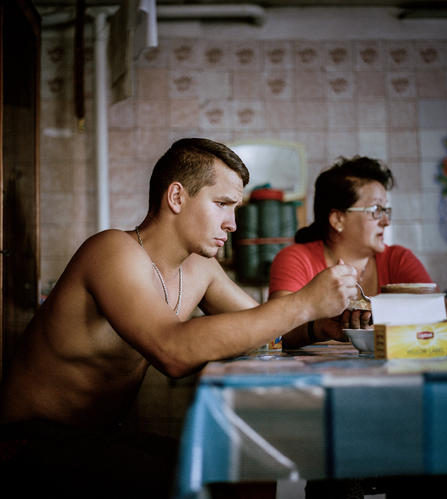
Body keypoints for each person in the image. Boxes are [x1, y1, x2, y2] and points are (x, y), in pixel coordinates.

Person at [0, 138, 359, 497]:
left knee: (245, 474)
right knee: (221, 486)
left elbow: (263, 327)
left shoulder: (200, 267)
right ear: (176, 197)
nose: (233, 223)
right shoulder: (112, 251)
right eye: (222, 204)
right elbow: (173, 351)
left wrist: (318, 326)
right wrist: (303, 303)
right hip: (29, 441)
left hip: (98, 438)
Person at [269, 156, 447, 348]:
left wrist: (380, 314)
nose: (386, 221)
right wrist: (319, 328)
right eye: (375, 209)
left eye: (385, 210)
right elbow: (274, 330)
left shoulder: (398, 259)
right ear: (338, 219)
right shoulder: (296, 259)